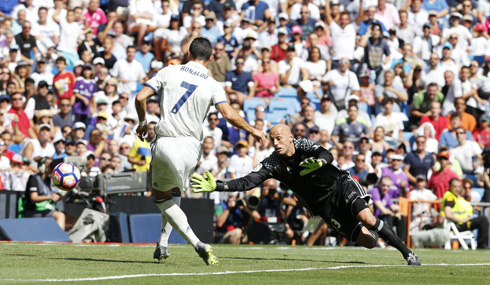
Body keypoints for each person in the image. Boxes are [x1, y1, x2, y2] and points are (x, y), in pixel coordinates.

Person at [191, 123, 421, 265]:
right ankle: (382, 239)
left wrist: (319, 163)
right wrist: (219, 186)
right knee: (369, 242)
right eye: (272, 139)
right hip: (324, 207)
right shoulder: (273, 163)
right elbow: (247, 181)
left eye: (279, 138)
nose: (275, 142)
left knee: (368, 219)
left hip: (341, 186)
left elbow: (327, 154)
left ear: (290, 137)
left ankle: (408, 254)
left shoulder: (302, 144)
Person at [135, 37, 265, 265]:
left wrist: (143, 121)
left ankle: (198, 243)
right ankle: (163, 243)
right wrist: (253, 129)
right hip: (193, 149)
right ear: (211, 58)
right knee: (173, 192)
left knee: (161, 197)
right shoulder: (213, 84)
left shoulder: (169, 71)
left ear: (187, 53)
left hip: (168, 141)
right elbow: (229, 115)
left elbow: (140, 97)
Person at [441, 178, 488, 249]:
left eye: (459, 187)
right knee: (483, 220)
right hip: (458, 225)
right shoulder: (450, 197)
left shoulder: (456, 197)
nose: (457, 189)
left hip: (461, 223)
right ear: (450, 187)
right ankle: (482, 245)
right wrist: (462, 220)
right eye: (455, 187)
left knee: (482, 219)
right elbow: (448, 214)